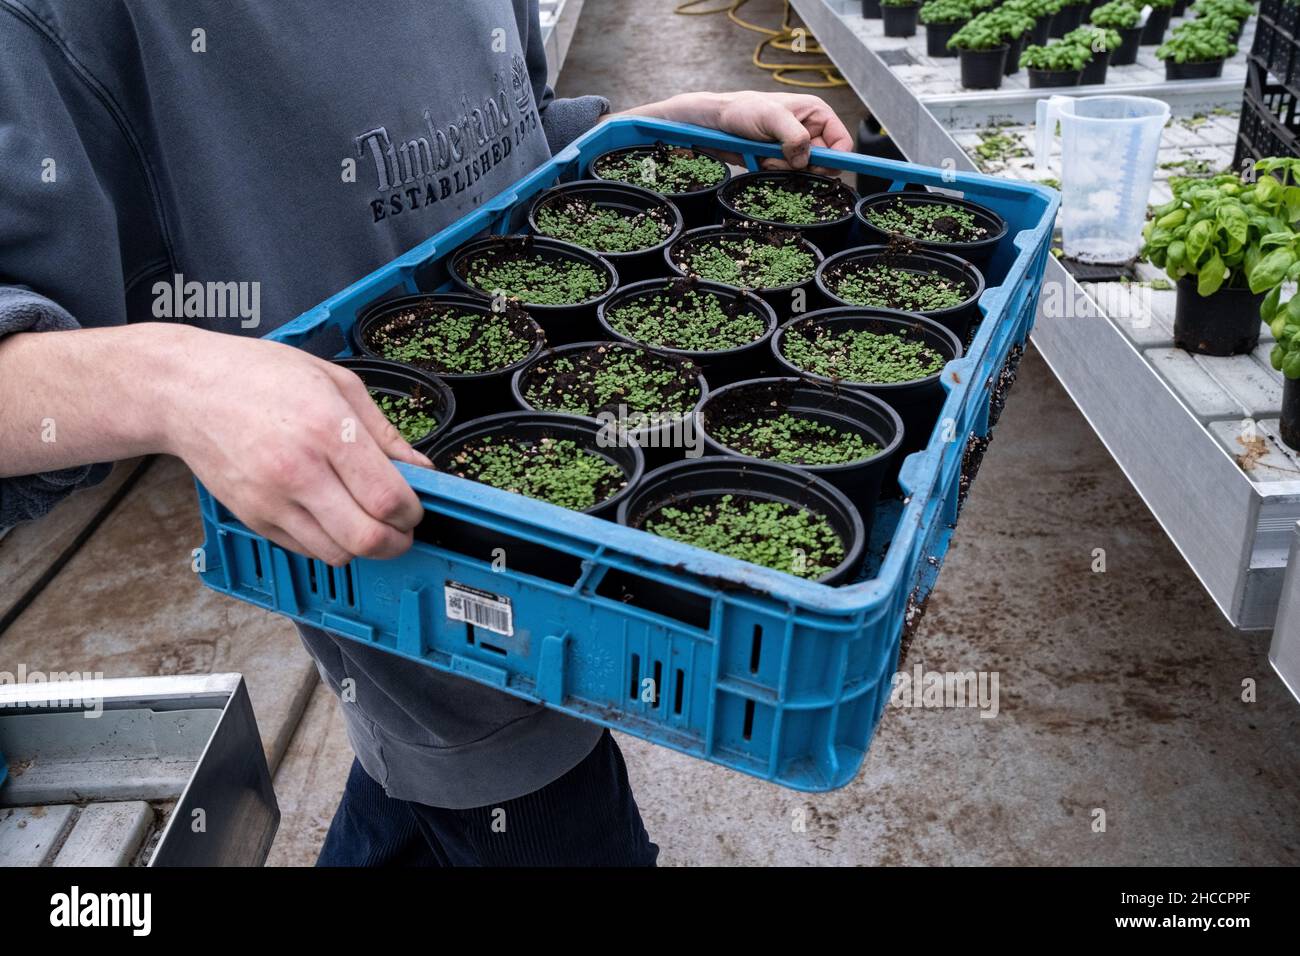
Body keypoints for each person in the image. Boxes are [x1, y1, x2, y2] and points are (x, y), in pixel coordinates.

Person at [0, 0, 853, 866]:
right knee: (507, 784)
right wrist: (174, 381)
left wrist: (673, 125)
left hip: (540, 525)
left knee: (428, 772)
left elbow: (509, 147)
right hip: (409, 573)